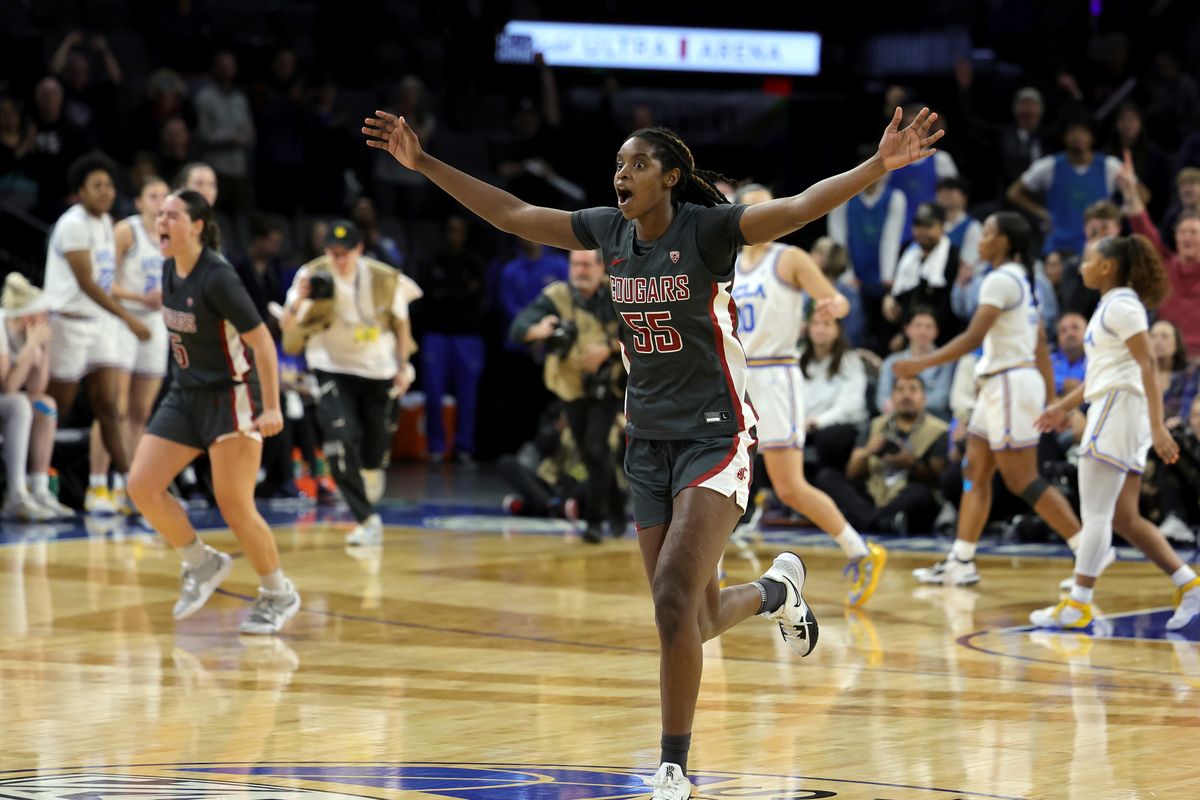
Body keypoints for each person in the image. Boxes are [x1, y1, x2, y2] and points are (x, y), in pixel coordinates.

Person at [365, 100, 943, 798]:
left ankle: (673, 764)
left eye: (638, 162)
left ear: (670, 176)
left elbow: (795, 208)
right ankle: (776, 592)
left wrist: (877, 165)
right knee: (688, 621)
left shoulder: (709, 230)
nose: (622, 173)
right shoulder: (609, 232)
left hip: (715, 435)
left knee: (671, 597)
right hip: (646, 441)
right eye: (617, 164)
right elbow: (513, 215)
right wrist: (422, 161)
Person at [126, 189, 300, 634]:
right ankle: (200, 562)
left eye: (172, 214)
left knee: (234, 504)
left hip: (232, 394)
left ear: (198, 225)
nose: (161, 220)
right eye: (159, 214)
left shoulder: (219, 277)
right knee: (142, 486)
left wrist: (271, 406)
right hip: (185, 394)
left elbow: (262, 342)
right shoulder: (169, 270)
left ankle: (279, 593)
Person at [897, 212, 1096, 587]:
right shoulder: (1023, 279)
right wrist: (1051, 395)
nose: (981, 240)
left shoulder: (1000, 279)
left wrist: (920, 362)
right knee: (975, 471)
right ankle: (963, 558)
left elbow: (973, 338)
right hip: (1001, 384)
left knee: (1024, 479)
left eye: (987, 233)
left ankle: (1087, 551)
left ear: (1004, 242)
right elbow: (1038, 342)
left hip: (1009, 384)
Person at [1031, 234, 1199, 631]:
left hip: (1119, 411)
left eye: (1089, 258)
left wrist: (1158, 426)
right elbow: (1105, 373)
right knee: (1125, 518)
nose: (1082, 266)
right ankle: (1189, 584)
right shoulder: (1112, 306)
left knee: (1096, 516)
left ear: (1108, 266)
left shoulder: (1123, 306)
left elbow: (1146, 366)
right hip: (1121, 409)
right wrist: (1063, 407)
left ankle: (1078, 604)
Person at [732, 184, 887, 607]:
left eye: (769, 208)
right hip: (734, 376)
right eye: (752, 209)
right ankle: (705, 562)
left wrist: (832, 308)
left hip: (777, 377)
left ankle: (860, 550)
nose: (762, 216)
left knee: (790, 487)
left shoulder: (790, 258)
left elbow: (836, 299)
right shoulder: (726, 261)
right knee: (717, 473)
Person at [279, 220, 416, 546]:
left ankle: (370, 470)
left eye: (345, 253)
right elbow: (287, 323)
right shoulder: (310, 275)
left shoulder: (383, 277)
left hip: (376, 368)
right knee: (340, 438)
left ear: (359, 250)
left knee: (375, 444)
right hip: (330, 365)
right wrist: (300, 299)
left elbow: (401, 324)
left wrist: (403, 365)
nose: (338, 260)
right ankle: (365, 519)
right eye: (332, 252)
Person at [42, 153, 151, 514]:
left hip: (98, 324)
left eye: (109, 185)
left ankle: (131, 486)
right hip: (68, 323)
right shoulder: (73, 224)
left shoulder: (106, 221)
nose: (105, 192)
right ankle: (35, 483)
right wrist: (130, 319)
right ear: (79, 192)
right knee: (55, 408)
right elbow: (88, 283)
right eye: (96, 186)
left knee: (110, 407)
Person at [509, 248, 624, 543]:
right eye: (575, 264)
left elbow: (642, 330)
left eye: (586, 264)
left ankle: (596, 521)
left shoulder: (619, 292)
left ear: (602, 268)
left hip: (609, 385)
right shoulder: (557, 296)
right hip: (570, 387)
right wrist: (539, 330)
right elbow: (518, 328)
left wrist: (608, 348)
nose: (580, 270)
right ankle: (614, 498)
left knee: (596, 446)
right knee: (588, 451)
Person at [84, 175, 170, 514]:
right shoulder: (126, 231)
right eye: (153, 195)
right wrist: (140, 298)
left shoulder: (169, 235)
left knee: (140, 413)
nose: (160, 201)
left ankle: (127, 486)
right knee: (113, 408)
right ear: (139, 202)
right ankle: (97, 485)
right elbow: (105, 282)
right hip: (121, 319)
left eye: (165, 196)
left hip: (154, 325)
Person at [814, 375, 949, 535]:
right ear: (892, 397)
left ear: (924, 398)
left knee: (921, 494)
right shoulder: (876, 425)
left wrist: (911, 464)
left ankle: (864, 519)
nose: (906, 395)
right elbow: (852, 472)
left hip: (906, 497)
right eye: (900, 390)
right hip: (874, 491)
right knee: (827, 476)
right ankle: (879, 520)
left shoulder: (939, 430)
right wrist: (868, 451)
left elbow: (939, 481)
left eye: (913, 389)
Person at [1119, 152, 1200, 358]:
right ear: (1175, 237)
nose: (1188, 237)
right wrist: (1130, 192)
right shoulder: (1164, 265)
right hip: (1167, 360)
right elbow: (1145, 231)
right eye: (1183, 232)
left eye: (1194, 232)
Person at [1007, 118, 1126, 256]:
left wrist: (1116, 215)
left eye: (1083, 131)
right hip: (1059, 249)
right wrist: (1043, 214)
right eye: (1072, 131)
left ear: (1092, 136)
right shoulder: (1049, 166)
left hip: (1099, 249)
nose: (1078, 136)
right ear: (1064, 136)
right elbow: (1013, 192)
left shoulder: (1109, 166)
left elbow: (1142, 195)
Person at [0, 274, 65, 521]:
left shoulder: (28, 335)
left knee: (45, 405)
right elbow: (9, 387)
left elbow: (38, 387)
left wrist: (42, 349)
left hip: (6, 401)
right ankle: (15, 494)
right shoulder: (1, 327)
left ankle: (39, 489)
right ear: (29, 317)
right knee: (18, 404)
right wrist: (29, 349)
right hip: (6, 399)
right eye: (44, 314)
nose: (48, 320)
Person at [883, 202, 961, 343]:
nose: (922, 231)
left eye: (928, 226)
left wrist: (907, 335)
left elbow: (945, 307)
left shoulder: (952, 257)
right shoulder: (907, 250)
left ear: (942, 227)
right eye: (918, 226)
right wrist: (889, 297)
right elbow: (897, 287)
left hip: (937, 336)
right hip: (900, 329)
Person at [878, 307, 953, 420]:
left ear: (936, 332)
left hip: (933, 418)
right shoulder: (891, 362)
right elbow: (882, 399)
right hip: (896, 417)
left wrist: (908, 405)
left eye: (928, 326)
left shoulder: (945, 361)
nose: (923, 332)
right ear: (907, 329)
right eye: (918, 326)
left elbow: (941, 399)